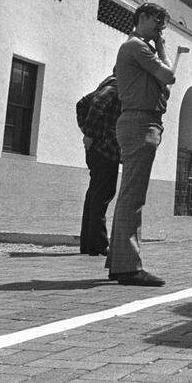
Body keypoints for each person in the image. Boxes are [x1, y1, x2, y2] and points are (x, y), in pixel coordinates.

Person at [109, 3, 175, 287]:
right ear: (142, 17)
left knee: (129, 195)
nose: (160, 27)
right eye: (157, 21)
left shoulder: (137, 50)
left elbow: (166, 85)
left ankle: (119, 262)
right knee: (133, 198)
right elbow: (170, 75)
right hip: (139, 123)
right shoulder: (137, 47)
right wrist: (160, 47)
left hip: (142, 122)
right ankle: (128, 267)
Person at [77, 75, 121, 256]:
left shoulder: (110, 84)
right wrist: (91, 134)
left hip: (100, 147)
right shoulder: (116, 87)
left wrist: (88, 135)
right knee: (102, 194)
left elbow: (82, 104)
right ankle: (99, 243)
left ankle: (89, 243)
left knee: (95, 193)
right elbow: (96, 105)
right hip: (105, 149)